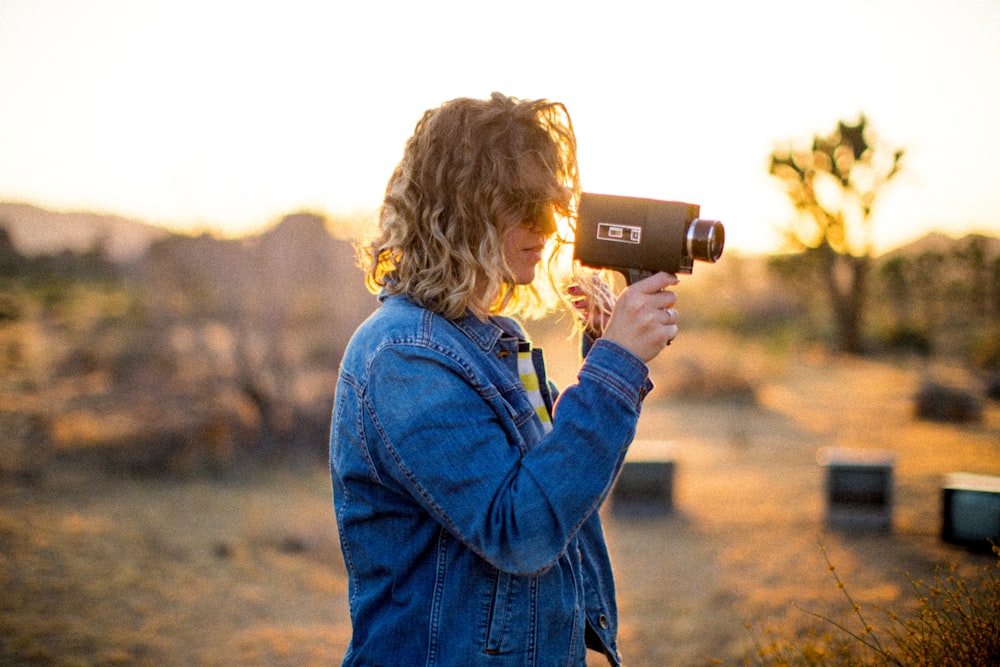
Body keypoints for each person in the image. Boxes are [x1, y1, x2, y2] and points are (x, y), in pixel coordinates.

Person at [330, 92, 679, 666]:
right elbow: (521, 530)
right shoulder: (403, 356)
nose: (545, 225)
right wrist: (616, 370)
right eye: (521, 203)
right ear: (457, 209)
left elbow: (561, 494)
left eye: (549, 203)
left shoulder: (493, 338)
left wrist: (606, 358)